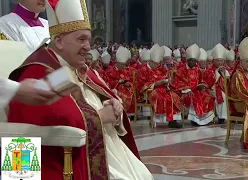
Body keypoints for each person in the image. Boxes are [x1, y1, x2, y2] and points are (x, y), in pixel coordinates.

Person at [7, 0, 153, 179]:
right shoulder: (42, 69)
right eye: (81, 39)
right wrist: (101, 116)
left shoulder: (77, 67)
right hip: (60, 160)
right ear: (58, 41)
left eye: (89, 40)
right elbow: (54, 117)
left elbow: (91, 97)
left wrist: (114, 104)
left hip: (107, 150)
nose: (87, 47)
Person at [136, 46, 182, 128]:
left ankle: (172, 120)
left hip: (164, 89)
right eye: (155, 63)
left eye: (158, 63)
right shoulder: (143, 70)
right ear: (150, 61)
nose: (157, 65)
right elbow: (141, 84)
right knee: (159, 97)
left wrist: (166, 80)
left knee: (174, 96)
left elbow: (166, 77)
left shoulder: (160, 68)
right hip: (149, 91)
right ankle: (158, 120)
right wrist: (156, 83)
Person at [172, 44, 215, 126]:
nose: (193, 62)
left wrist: (202, 86)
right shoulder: (181, 70)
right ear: (187, 60)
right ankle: (194, 119)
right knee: (195, 97)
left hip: (196, 90)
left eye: (195, 61)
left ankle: (203, 119)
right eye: (191, 60)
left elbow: (201, 80)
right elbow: (178, 82)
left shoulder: (197, 70)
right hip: (184, 91)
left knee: (207, 96)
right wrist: (188, 89)